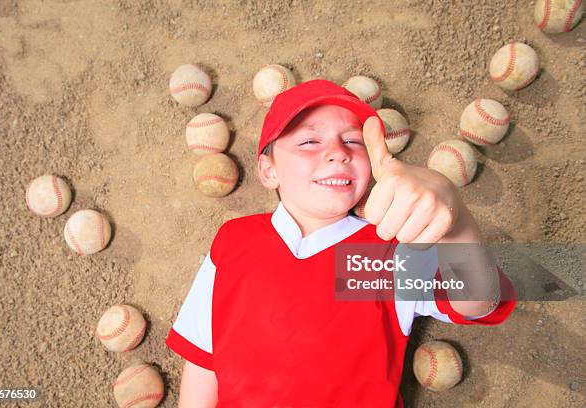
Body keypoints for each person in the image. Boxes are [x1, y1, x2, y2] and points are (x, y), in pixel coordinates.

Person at [166, 79, 516, 407]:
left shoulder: (382, 251)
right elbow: (202, 356)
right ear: (268, 170)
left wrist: (455, 220)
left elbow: (478, 300)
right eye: (309, 141)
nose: (337, 152)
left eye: (353, 141)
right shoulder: (234, 238)